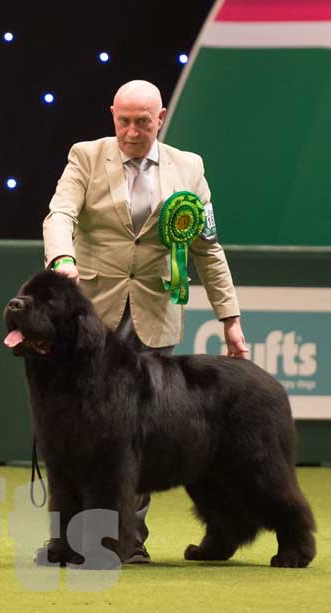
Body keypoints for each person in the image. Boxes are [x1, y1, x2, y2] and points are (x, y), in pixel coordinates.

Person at [42, 79, 248, 564]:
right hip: (90, 319)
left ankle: (127, 542)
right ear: (112, 114)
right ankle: (67, 540)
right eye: (123, 121)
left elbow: (207, 249)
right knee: (71, 431)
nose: (132, 131)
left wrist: (231, 318)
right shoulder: (85, 156)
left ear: (160, 120)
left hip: (154, 314)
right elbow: (59, 214)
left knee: (136, 434)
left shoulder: (189, 168)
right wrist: (61, 260)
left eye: (142, 122)